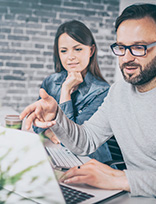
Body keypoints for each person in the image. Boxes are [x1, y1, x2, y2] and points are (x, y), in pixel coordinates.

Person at [20, 4, 156, 203]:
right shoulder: (118, 91)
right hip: (135, 196)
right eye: (121, 47)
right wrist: (57, 116)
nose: (126, 58)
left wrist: (124, 179)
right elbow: (86, 141)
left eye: (138, 48)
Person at [32, 20, 112, 163]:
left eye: (78, 49)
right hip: (60, 156)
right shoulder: (51, 82)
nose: (70, 57)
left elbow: (74, 141)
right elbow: (37, 123)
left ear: (91, 50)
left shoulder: (102, 92)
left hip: (92, 163)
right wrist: (49, 132)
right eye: (64, 51)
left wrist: (66, 91)